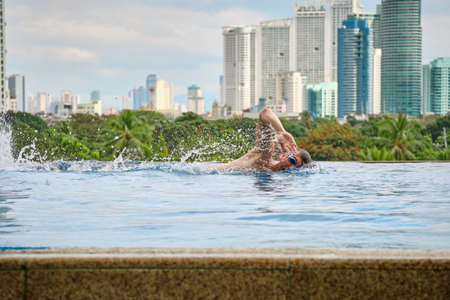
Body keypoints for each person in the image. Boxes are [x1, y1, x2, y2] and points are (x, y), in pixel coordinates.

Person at [212, 108, 312, 172]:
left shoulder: (270, 173)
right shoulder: (264, 157)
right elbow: (265, 113)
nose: (290, 167)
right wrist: (280, 132)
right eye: (292, 160)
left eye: (296, 168)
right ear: (284, 155)